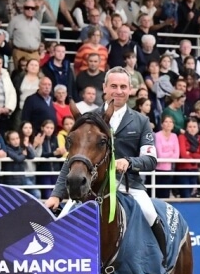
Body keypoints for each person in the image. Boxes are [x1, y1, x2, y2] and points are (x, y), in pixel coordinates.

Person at [46, 66, 167, 259]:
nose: (118, 91)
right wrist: (57, 194)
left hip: (129, 186)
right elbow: (73, 159)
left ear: (130, 89)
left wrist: (129, 162)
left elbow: (150, 159)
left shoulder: (141, 121)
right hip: (92, 188)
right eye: (113, 86)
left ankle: (163, 262)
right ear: (104, 87)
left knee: (150, 214)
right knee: (61, 221)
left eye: (123, 86)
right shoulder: (88, 119)